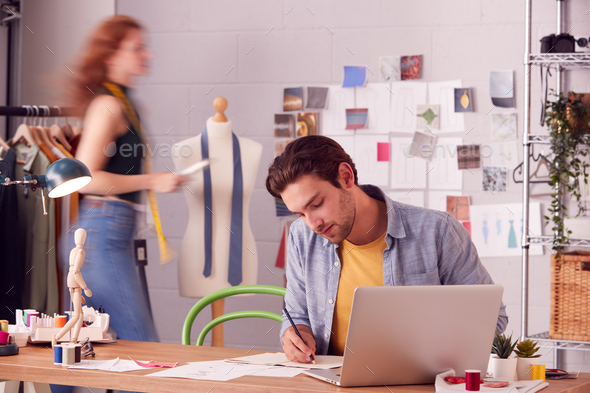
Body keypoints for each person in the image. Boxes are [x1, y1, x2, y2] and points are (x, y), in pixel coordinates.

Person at [265, 135, 509, 363]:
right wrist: (297, 335)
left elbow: (492, 319)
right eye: (300, 214)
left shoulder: (437, 231)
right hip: (330, 383)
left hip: (417, 384)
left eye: (317, 204)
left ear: (346, 177)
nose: (313, 224)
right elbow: (296, 314)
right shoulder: (301, 236)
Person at [64, 15, 186, 343]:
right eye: (138, 48)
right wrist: (152, 181)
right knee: (141, 349)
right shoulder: (109, 105)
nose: (148, 54)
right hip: (100, 238)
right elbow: (84, 179)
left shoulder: (125, 102)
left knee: (76, 346)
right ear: (111, 55)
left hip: (104, 235)